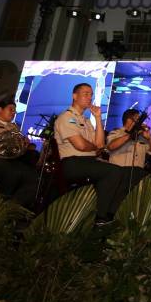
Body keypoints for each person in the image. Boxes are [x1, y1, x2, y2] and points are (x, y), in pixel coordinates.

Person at [53, 83, 126, 226]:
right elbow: (80, 145)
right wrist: (93, 147)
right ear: (74, 96)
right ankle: (100, 216)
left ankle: (107, 214)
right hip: (73, 163)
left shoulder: (86, 121)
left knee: (120, 172)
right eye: (85, 94)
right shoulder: (66, 117)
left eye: (91, 94)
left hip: (89, 162)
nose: (89, 97)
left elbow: (100, 144)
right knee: (113, 171)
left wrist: (98, 118)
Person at [106, 109, 151, 195]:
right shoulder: (117, 132)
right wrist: (130, 135)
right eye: (137, 119)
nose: (140, 122)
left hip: (137, 174)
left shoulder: (142, 137)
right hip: (118, 173)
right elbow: (111, 146)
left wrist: (150, 137)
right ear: (128, 120)